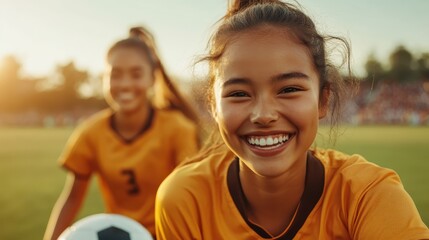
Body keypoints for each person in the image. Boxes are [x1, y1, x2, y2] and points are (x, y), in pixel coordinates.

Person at [154, 1, 429, 239]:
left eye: (289, 90)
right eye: (238, 93)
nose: (263, 115)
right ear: (214, 106)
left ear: (323, 100)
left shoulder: (369, 196)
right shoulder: (184, 199)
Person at [44, 26, 199, 240]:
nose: (125, 84)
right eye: (115, 75)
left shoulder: (178, 129)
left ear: (152, 78)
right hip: (117, 234)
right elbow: (72, 198)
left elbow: (192, 198)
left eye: (136, 74)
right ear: (104, 78)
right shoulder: (90, 132)